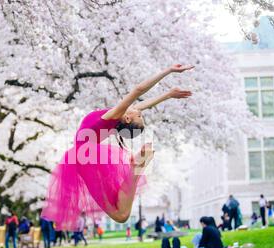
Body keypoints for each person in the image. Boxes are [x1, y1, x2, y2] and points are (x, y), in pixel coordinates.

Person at [41, 65, 194, 232]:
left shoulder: (115, 116)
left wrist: (169, 71)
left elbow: (138, 90)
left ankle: (137, 167)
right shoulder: (116, 118)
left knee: (121, 215)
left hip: (86, 157)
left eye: (139, 115)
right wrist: (168, 94)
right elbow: (143, 103)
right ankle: (137, 167)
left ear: (127, 118)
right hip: (86, 156)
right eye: (140, 115)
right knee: (121, 215)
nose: (139, 110)